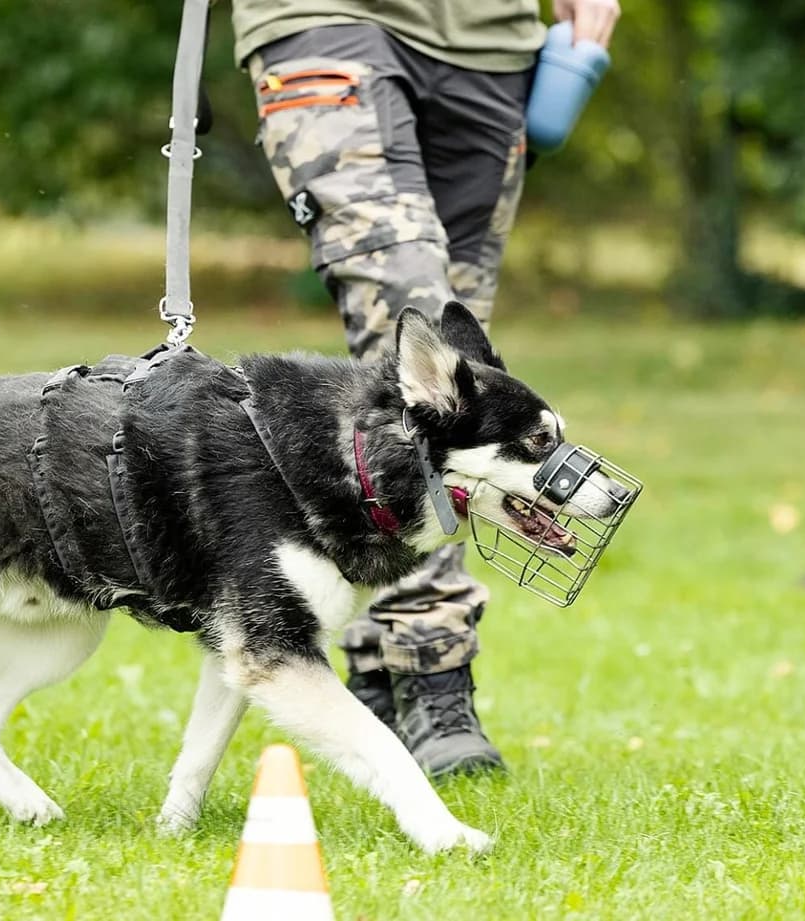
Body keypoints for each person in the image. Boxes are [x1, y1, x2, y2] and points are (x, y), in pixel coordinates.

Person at [230, 0, 621, 777]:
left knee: (463, 348)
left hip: (490, 42)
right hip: (325, 21)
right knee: (419, 341)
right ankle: (430, 665)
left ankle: (376, 662)